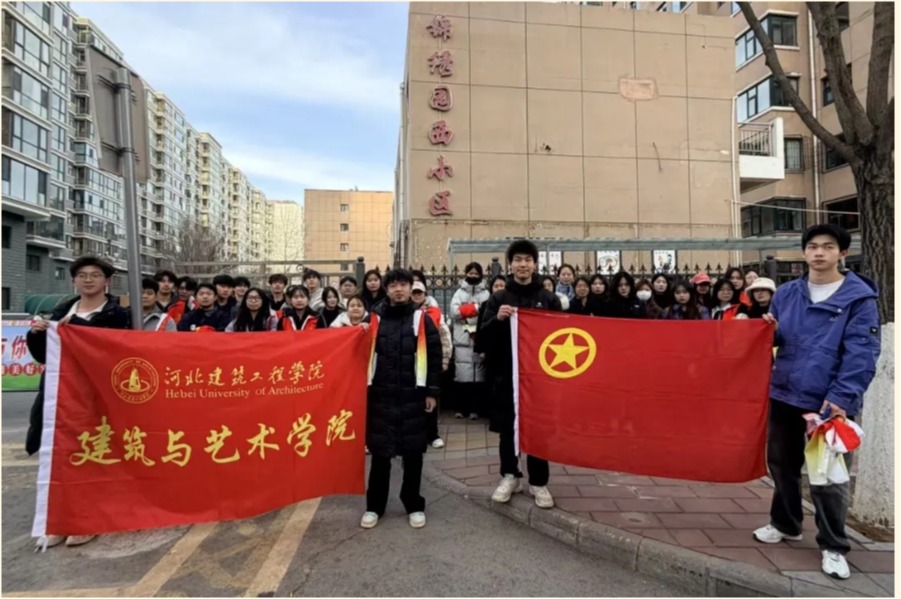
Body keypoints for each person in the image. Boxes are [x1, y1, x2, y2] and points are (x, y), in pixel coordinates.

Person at [753, 224, 880, 581]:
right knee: (781, 465)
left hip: (828, 404)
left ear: (842, 253)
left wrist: (841, 397)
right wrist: (765, 328)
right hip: (784, 393)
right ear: (804, 253)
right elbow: (779, 339)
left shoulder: (859, 299)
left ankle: (834, 545)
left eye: (828, 247)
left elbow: (862, 353)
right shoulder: (788, 293)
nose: (819, 253)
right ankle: (786, 523)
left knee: (827, 477)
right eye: (812, 247)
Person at [27, 256, 131, 549]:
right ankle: (60, 521)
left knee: (93, 456)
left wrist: (82, 331)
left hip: (96, 396)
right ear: (73, 279)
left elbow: (118, 353)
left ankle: (88, 520)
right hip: (60, 396)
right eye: (82, 275)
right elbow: (44, 356)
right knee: (61, 455)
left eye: (95, 275)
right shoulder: (59, 311)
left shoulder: (117, 315)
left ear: (106, 281)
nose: (88, 280)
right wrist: (36, 335)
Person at [480, 240, 562, 509]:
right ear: (510, 264)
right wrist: (498, 320)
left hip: (540, 378)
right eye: (518, 260)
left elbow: (561, 338)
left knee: (539, 429)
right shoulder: (498, 298)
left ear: (535, 264)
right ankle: (510, 475)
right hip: (506, 375)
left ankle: (538, 482)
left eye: (528, 259)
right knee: (507, 428)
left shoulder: (549, 299)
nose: (523, 264)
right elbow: (482, 339)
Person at [360, 269, 442, 530]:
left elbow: (435, 357)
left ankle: (414, 504)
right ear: (386, 289)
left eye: (403, 285)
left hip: (413, 396)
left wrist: (432, 391)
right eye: (393, 285)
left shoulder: (421, 319)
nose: (398, 289)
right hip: (380, 396)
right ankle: (374, 506)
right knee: (381, 455)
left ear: (410, 288)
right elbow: (358, 355)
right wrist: (359, 332)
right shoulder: (373, 319)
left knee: (413, 453)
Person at [412, 281, 453, 448]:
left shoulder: (434, 312)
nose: (416, 296)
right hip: (410, 361)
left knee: (430, 398)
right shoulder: (405, 312)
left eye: (419, 293)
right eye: (414, 292)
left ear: (425, 294)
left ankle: (433, 434)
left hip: (428, 360)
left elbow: (444, 336)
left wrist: (445, 359)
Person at [450, 262, 490, 421]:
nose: (473, 276)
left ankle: (475, 409)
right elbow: (454, 312)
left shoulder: (486, 294)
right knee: (462, 376)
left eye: (476, 273)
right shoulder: (459, 293)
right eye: (470, 273)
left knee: (478, 377)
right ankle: (461, 408)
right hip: (463, 339)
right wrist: (475, 308)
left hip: (479, 339)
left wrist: (467, 310)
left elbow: (487, 312)